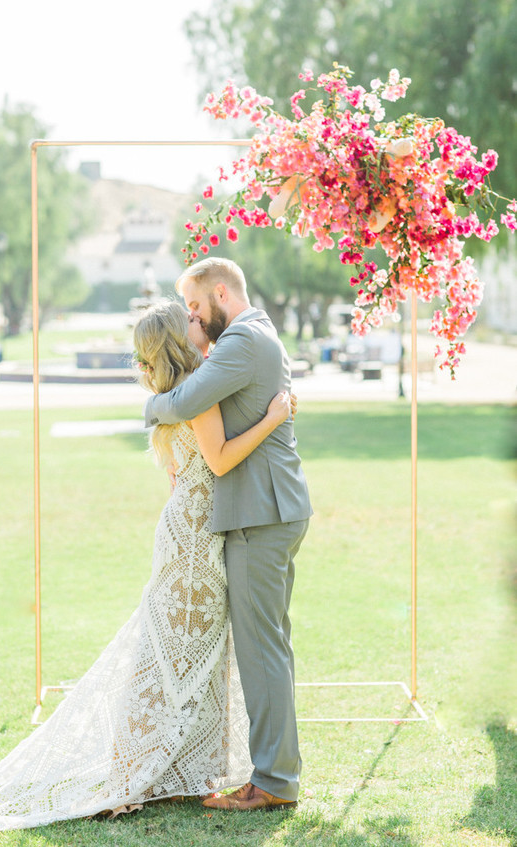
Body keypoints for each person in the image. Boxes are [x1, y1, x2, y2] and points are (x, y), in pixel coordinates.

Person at [0, 300, 291, 835]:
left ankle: (180, 767)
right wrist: (273, 419)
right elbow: (220, 460)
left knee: (181, 649)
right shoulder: (196, 394)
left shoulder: (173, 395)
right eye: (191, 320)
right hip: (195, 539)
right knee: (174, 651)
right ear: (179, 337)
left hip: (187, 527)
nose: (200, 321)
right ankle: (134, 771)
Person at [144, 257, 313, 812]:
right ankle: (276, 774)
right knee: (269, 644)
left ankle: (274, 782)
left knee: (262, 648)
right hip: (268, 508)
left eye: (195, 305)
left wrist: (150, 404)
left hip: (260, 513)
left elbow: (185, 401)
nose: (192, 317)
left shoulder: (242, 339)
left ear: (221, 293)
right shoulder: (253, 336)